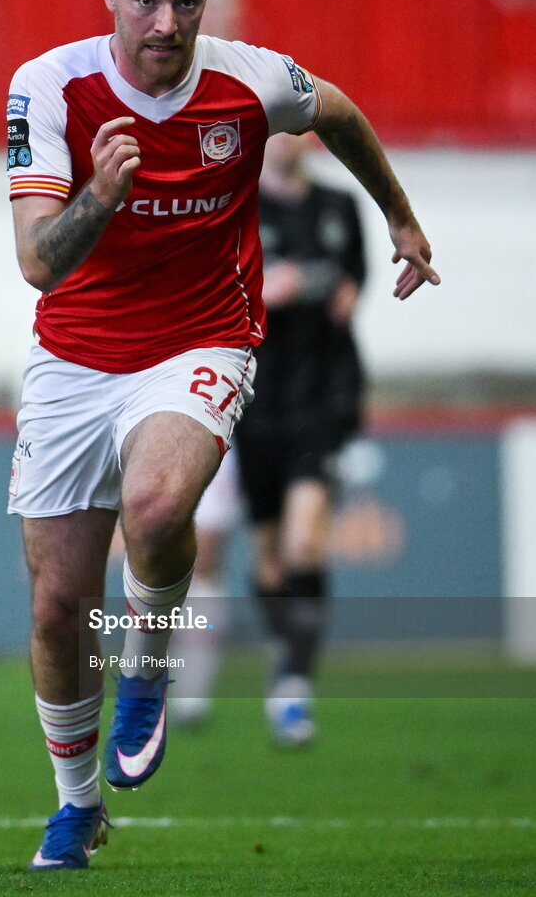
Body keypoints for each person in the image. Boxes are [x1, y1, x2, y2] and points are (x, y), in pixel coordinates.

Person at [6, 0, 439, 871]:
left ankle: (150, 672)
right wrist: (100, 197)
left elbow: (339, 112)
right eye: (147, 0)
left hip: (206, 337)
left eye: (187, 1)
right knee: (55, 607)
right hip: (76, 359)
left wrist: (402, 221)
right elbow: (39, 263)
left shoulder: (251, 80)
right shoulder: (50, 85)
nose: (167, 23)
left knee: (158, 505)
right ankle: (78, 808)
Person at [171, 132, 367, 745]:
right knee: (268, 561)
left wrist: (327, 290)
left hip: (322, 399)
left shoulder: (339, 207)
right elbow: (211, 292)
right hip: (255, 404)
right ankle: (230, 671)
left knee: (305, 542)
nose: (286, 140)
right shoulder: (239, 208)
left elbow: (348, 290)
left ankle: (293, 685)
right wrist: (265, 291)